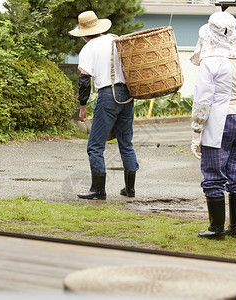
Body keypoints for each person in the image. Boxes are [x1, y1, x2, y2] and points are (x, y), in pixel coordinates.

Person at [190, 11, 236, 240]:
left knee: (213, 173)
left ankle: (216, 229)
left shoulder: (210, 62)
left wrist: (197, 129)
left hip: (219, 122)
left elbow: (203, 99)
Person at [69, 11, 139, 200]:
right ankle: (129, 189)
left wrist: (82, 108)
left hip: (108, 95)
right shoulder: (116, 40)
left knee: (95, 146)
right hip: (127, 95)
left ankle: (98, 190)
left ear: (84, 33)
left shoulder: (88, 49)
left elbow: (84, 81)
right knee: (126, 143)